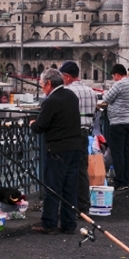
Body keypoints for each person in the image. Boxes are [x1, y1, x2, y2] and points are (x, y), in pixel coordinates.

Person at [29, 69, 83, 234]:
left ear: (49, 83)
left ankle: (49, 223)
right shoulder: (71, 96)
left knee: (53, 188)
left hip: (58, 149)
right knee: (69, 189)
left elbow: (41, 126)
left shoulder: (51, 101)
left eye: (42, 85)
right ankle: (69, 224)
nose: (42, 88)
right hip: (76, 148)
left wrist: (32, 123)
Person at [58, 61, 96, 213]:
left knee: (65, 171)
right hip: (85, 134)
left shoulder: (68, 92)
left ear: (67, 77)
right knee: (82, 170)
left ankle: (67, 206)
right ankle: (83, 206)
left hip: (70, 135)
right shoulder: (91, 91)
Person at [100, 64, 129, 191]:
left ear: (117, 74)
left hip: (118, 122)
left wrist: (106, 92)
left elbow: (106, 98)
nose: (114, 79)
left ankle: (120, 182)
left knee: (117, 153)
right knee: (126, 151)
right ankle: (126, 180)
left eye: (113, 77)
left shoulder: (119, 84)